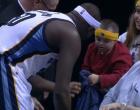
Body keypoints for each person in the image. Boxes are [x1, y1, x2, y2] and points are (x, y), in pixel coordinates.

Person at [0, 2, 101, 110]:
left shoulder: (48, 17)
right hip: (5, 61)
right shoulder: (71, 34)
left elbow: (28, 75)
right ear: (90, 30)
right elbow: (61, 92)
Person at [75, 19, 132, 110]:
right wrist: (89, 78)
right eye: (98, 39)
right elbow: (85, 67)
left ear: (114, 41)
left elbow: (121, 77)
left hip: (111, 90)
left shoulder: (122, 54)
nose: (101, 43)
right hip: (91, 83)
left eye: (106, 41)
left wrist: (99, 79)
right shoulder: (92, 47)